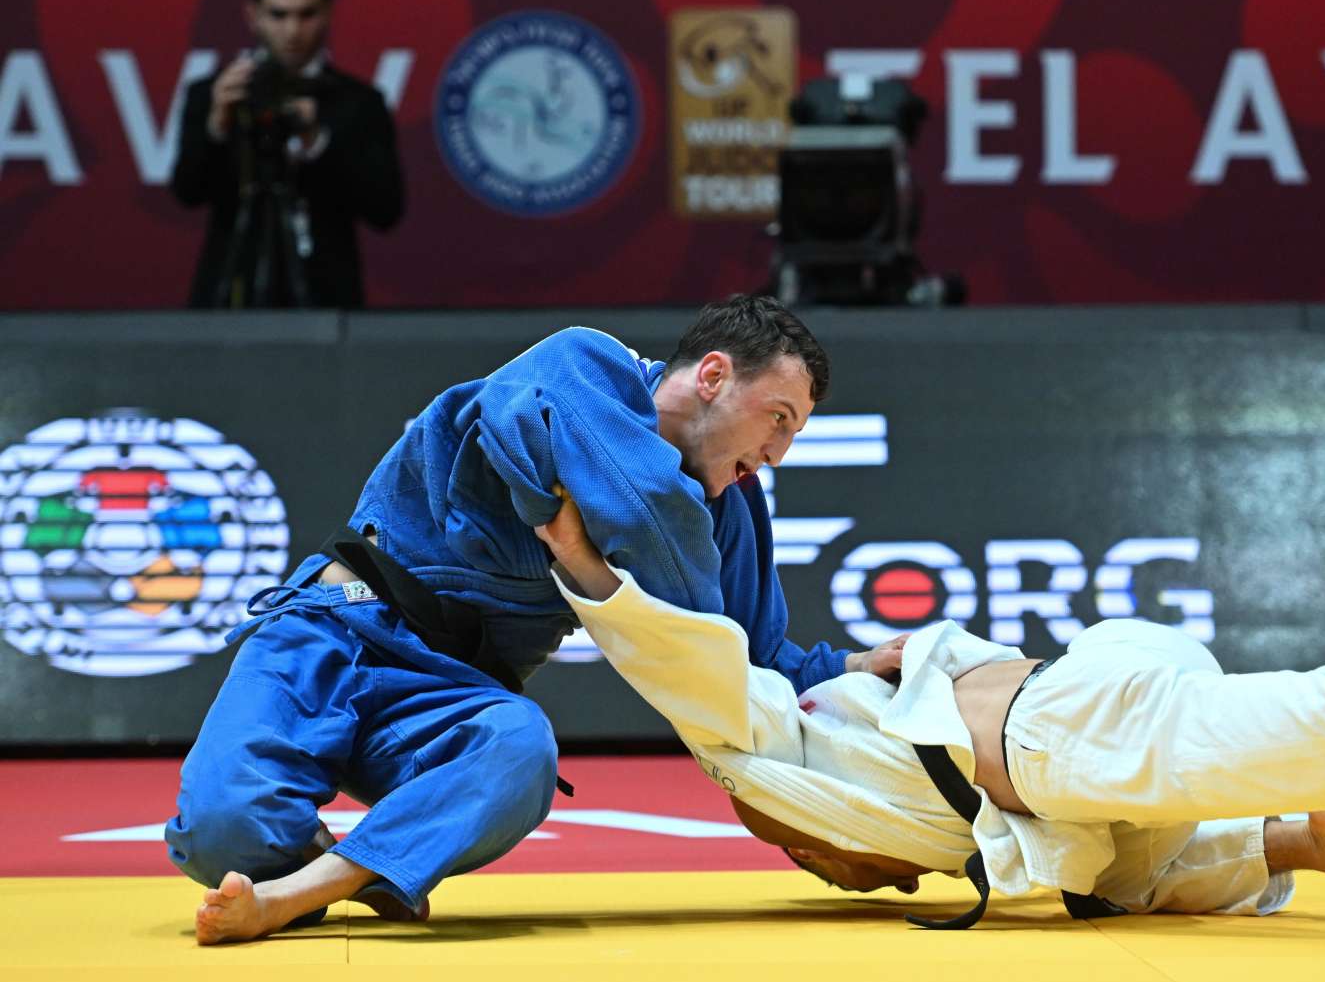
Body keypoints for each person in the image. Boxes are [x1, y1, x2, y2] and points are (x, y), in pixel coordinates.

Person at [540, 482, 1325, 925]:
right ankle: (1302, 836)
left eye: (829, 871)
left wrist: (586, 570)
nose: (859, 881)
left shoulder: (773, 768)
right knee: (1116, 880)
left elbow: (689, 675)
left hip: (1065, 732)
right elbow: (1094, 855)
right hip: (1094, 707)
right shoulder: (886, 739)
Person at [170, 295, 906, 945]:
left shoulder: (729, 508)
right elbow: (640, 515)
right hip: (332, 633)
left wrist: (848, 670)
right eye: (778, 419)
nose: (777, 454)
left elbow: (744, 657)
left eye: (793, 434)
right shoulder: (583, 364)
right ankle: (353, 860)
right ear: (713, 376)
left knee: (521, 750)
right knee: (221, 835)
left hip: (443, 700)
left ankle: (304, 890)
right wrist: (623, 571)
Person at [171, 0, 403, 309]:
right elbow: (188, 192)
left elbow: (385, 210)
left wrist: (318, 141)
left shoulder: (358, 102)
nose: (292, 31)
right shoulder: (214, 95)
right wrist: (217, 125)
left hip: (327, 302)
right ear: (253, 15)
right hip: (232, 293)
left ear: (328, 13)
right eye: (278, 15)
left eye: (306, 14)